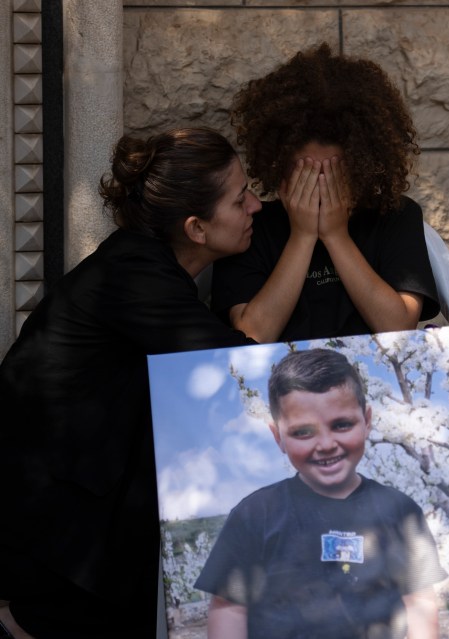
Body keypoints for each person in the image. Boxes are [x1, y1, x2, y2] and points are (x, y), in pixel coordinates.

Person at [0, 128, 261, 638]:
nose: (257, 205)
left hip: (83, 516)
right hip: (53, 530)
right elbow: (241, 370)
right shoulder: (134, 273)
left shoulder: (144, 264)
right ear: (196, 228)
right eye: (241, 197)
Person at [194, 348, 446, 639]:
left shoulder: (400, 510)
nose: (326, 444)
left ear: (366, 421)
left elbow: (419, 601)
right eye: (303, 432)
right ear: (278, 437)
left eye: (341, 425)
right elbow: (229, 608)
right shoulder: (253, 515)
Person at [211, 44, 440, 343]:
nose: (320, 186)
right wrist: (302, 236)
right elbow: (252, 336)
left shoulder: (396, 218)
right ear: (278, 165)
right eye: (305, 172)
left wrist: (336, 236)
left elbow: (399, 330)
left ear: (363, 166)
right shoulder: (250, 226)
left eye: (334, 174)